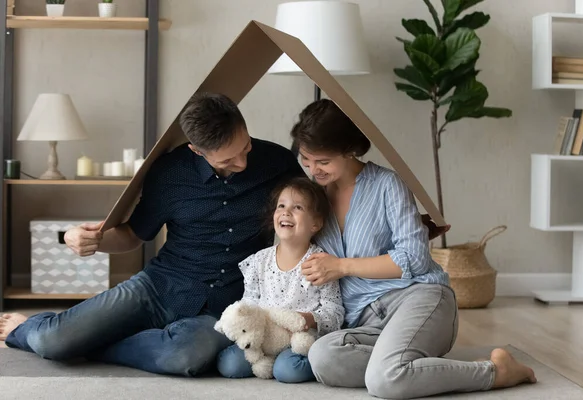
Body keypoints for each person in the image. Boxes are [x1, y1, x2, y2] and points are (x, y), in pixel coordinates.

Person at [0, 92, 306, 376]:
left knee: (186, 356)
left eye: (246, 147)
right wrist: (89, 240)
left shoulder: (277, 162)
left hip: (228, 303)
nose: (242, 162)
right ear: (196, 150)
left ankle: (93, 346)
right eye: (227, 159)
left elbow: (314, 209)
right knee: (53, 341)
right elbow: (134, 235)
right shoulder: (169, 172)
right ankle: (32, 327)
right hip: (159, 286)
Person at [288, 99, 537, 399]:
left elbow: (416, 259)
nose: (314, 170)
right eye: (306, 160)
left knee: (383, 382)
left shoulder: (387, 184)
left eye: (323, 161)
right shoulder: (312, 198)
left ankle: (496, 372)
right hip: (363, 321)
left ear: (349, 149)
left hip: (417, 299)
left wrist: (342, 266)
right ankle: (407, 366)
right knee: (322, 358)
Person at [216, 177, 345, 383]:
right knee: (229, 365)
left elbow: (335, 311)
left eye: (298, 207)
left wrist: (305, 319)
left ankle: (283, 363)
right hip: (262, 337)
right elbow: (249, 302)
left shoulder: (320, 263)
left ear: (316, 223)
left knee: (287, 371)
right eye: (281, 206)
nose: (286, 212)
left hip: (298, 340)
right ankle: (265, 361)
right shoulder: (259, 261)